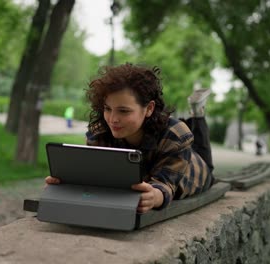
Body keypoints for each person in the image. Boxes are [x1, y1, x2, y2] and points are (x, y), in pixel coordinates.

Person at [45, 63, 215, 213]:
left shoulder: (175, 135)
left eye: (123, 111)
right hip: (163, 160)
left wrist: (153, 197)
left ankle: (197, 112)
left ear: (148, 108)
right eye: (107, 108)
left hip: (195, 170)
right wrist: (68, 183)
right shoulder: (99, 133)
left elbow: (165, 185)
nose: (112, 119)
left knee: (202, 154)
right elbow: (97, 179)